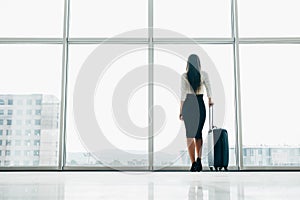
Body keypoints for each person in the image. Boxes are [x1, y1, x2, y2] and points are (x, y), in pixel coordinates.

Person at [179, 54, 213, 172]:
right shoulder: (203, 74)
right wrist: (210, 99)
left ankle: (193, 163)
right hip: (199, 103)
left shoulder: (184, 76)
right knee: (198, 133)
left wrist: (181, 111)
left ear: (188, 63)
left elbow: (183, 95)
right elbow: (209, 87)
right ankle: (199, 159)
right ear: (198, 63)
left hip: (188, 104)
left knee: (189, 135)